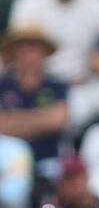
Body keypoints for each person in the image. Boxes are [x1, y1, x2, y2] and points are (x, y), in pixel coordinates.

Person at [0, 25, 67, 180]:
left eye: (33, 48)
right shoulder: (3, 85)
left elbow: (57, 121)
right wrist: (41, 119)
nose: (28, 54)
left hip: (48, 163)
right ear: (14, 53)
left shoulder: (56, 86)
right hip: (8, 163)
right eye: (22, 48)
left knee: (48, 200)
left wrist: (12, 121)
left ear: (44, 53)